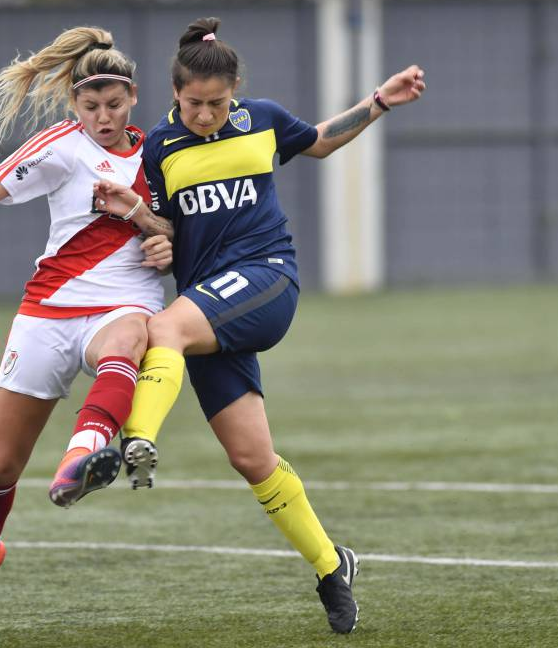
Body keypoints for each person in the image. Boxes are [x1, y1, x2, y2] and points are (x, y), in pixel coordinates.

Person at [91, 17, 426, 634]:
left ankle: (133, 439)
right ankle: (333, 566)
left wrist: (379, 101)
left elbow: (321, 140)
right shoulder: (159, 147)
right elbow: (168, 231)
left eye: (217, 103)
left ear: (236, 90)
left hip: (266, 277)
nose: (206, 115)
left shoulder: (263, 119)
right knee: (252, 458)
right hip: (207, 305)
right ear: (174, 93)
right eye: (194, 103)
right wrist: (146, 227)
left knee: (161, 330)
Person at [0, 27, 173, 631]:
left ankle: (81, 458)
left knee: (130, 339)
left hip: (123, 301)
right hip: (47, 311)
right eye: (91, 107)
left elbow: (181, 229)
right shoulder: (61, 145)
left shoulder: (163, 150)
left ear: (133, 97)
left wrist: (161, 236)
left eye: (114, 105)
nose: (103, 117)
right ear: (74, 105)